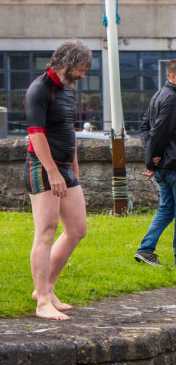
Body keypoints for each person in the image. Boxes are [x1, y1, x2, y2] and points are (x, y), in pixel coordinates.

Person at [24, 40, 92, 320]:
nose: (84, 74)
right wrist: (52, 171)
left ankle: (47, 288)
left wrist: (73, 164)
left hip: (65, 166)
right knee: (47, 231)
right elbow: (36, 134)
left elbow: (67, 129)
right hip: (42, 167)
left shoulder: (66, 91)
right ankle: (42, 301)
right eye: (82, 68)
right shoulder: (39, 89)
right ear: (68, 62)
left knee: (77, 229)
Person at [134, 59, 176, 266]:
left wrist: (153, 159)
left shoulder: (160, 95)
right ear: (172, 76)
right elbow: (159, 132)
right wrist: (152, 160)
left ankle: (145, 249)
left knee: (166, 209)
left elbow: (144, 129)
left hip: (166, 165)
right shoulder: (172, 99)